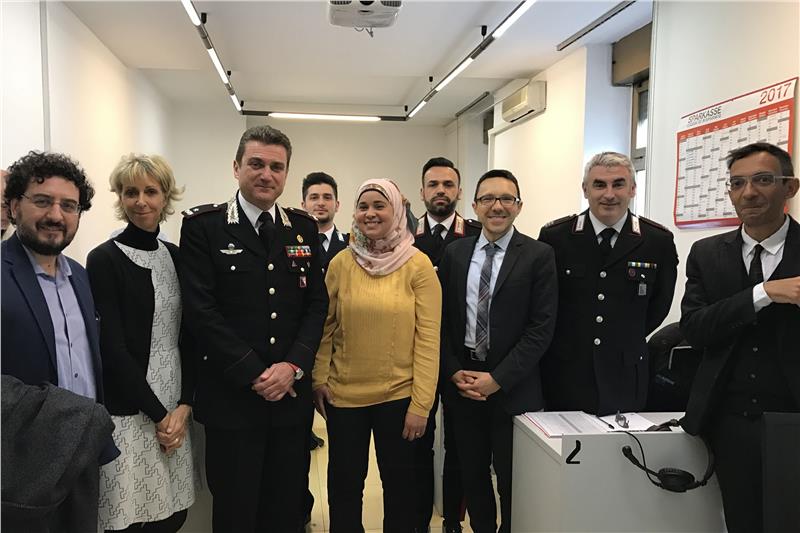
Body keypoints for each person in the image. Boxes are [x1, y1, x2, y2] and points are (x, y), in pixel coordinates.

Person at [179, 125, 328, 532]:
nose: (266, 174)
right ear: (236, 167)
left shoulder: (303, 227)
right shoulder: (204, 227)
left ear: (286, 174)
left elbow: (316, 305)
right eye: (256, 164)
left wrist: (291, 366)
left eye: (276, 167)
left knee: (286, 510)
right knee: (236, 512)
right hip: (232, 400)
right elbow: (201, 311)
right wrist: (255, 372)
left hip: (290, 400)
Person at [680, 142, 800, 533]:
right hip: (729, 423)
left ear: (790, 187)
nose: (748, 193)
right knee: (741, 521)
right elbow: (695, 328)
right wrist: (764, 293)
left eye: (763, 180)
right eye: (737, 183)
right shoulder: (707, 253)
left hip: (793, 417)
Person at [312, 178, 441, 533]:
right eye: (363, 206)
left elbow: (429, 341)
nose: (370, 213)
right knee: (344, 488)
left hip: (398, 398)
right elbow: (325, 327)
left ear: (396, 211)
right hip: (343, 397)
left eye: (379, 205)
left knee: (400, 491)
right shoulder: (341, 263)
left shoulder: (418, 265)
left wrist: (421, 405)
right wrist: (318, 379)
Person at [1, 150, 118, 528]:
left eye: (69, 205)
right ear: (14, 206)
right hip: (21, 469)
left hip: (81, 454)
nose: (56, 215)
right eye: (42, 201)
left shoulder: (81, 277)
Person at [438, 169, 557, 533]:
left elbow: (541, 329)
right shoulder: (455, 254)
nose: (497, 206)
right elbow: (440, 321)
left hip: (514, 388)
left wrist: (498, 379)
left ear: (519, 206)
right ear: (474, 206)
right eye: (488, 198)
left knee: (512, 479)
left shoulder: (538, 255)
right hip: (464, 385)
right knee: (472, 475)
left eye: (506, 198)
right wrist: (452, 370)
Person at [86, 154, 196, 532]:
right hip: (131, 405)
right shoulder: (104, 259)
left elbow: (189, 335)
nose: (141, 201)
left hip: (174, 398)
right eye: (130, 192)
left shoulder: (177, 257)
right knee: (130, 518)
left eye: (151, 191)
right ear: (120, 197)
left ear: (166, 196)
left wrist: (184, 406)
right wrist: (161, 416)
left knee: (173, 515)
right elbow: (112, 347)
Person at [538, 151, 678, 415]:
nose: (609, 194)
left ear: (633, 189)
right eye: (599, 185)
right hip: (565, 373)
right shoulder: (556, 237)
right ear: (585, 189)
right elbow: (544, 303)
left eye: (618, 184)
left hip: (625, 373)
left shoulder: (657, 241)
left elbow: (658, 306)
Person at [413, 156, 479, 533]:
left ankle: (453, 518)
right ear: (422, 191)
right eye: (433, 184)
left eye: (448, 184)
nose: (441, 191)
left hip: (459, 358)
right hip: (415, 358)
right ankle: (418, 518)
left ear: (459, 191)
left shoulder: (476, 234)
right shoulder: (403, 236)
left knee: (459, 444)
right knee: (417, 443)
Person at [302, 171, 349, 276]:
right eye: (314, 197)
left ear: (337, 205)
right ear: (303, 205)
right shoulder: (293, 243)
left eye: (327, 197)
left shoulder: (351, 245)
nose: (321, 203)